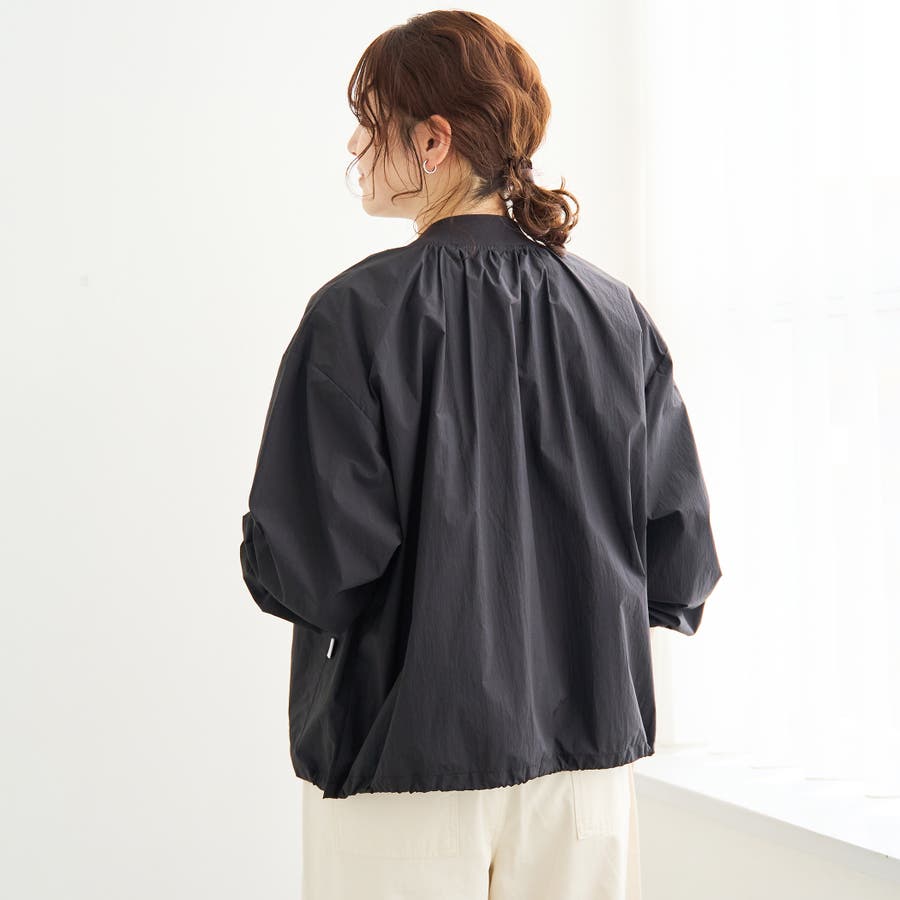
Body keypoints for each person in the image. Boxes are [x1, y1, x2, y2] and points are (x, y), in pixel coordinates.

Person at [239, 10, 723, 899]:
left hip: (403, 770)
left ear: (433, 140)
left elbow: (317, 572)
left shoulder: (354, 317)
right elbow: (680, 565)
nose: (353, 143)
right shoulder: (616, 314)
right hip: (584, 781)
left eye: (369, 120)